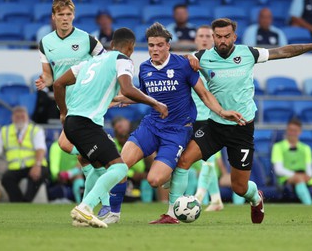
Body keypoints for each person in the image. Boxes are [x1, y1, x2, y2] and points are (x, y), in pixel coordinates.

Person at [152, 17, 312, 224]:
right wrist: (188, 58)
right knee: (184, 161)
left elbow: (283, 51)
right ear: (213, 37)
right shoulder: (203, 57)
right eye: (218, 37)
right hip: (214, 125)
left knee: (239, 187)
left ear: (234, 36)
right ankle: (171, 214)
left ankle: (256, 198)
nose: (222, 41)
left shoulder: (249, 53)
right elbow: (176, 63)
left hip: (241, 129)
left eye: (226, 36)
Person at [103, 22, 244, 224]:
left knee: (154, 180)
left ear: (168, 45)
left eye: (160, 45)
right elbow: (142, 95)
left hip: (177, 130)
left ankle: (170, 196)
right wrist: (116, 101)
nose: (155, 49)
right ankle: (113, 213)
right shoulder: (144, 68)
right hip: (151, 125)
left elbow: (203, 93)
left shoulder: (183, 65)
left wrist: (221, 112)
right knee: (119, 166)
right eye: (152, 45)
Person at [53, 27, 168, 228]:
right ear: (130, 48)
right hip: (87, 124)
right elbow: (128, 88)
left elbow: (58, 84)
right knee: (119, 167)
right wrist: (154, 103)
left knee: (94, 165)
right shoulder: (122, 60)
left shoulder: (89, 62)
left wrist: (63, 112)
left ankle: (82, 214)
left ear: (111, 44)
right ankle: (86, 207)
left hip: (73, 122)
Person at [34, 0, 110, 219]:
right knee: (84, 158)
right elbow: (49, 76)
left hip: (88, 102)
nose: (65, 19)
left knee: (65, 144)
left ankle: (106, 176)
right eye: (61, 15)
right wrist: (43, 81)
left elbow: (107, 64)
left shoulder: (87, 39)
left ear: (73, 16)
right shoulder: (45, 43)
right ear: (54, 17)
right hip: (65, 103)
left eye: (69, 14)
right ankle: (96, 205)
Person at [0, 107, 48, 202]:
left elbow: (40, 149)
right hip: (15, 168)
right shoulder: (5, 131)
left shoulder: (35, 130)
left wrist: (37, 165)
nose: (20, 118)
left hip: (33, 165)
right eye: (17, 116)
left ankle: (27, 201)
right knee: (6, 179)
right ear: (12, 118)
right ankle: (19, 203)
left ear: (28, 117)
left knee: (39, 174)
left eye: (22, 116)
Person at [191, 25, 224, 211]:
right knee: (203, 159)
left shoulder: (220, 62)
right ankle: (217, 199)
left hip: (213, 117)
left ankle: (199, 197)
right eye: (200, 36)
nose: (203, 39)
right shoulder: (190, 62)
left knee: (208, 159)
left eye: (207, 36)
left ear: (213, 39)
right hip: (194, 117)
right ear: (195, 40)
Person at [271, 119, 312, 205]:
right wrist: (295, 175)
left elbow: (309, 168)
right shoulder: (278, 147)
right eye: (290, 130)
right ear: (287, 131)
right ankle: (309, 206)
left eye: (295, 131)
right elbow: (278, 170)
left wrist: (308, 176)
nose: (292, 133)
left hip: (304, 177)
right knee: (299, 179)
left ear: (300, 132)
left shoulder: (306, 148)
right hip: (287, 178)